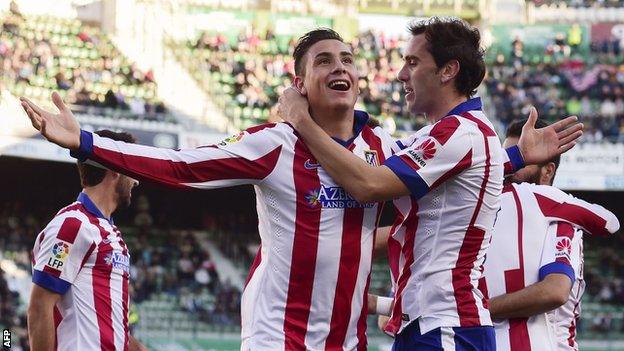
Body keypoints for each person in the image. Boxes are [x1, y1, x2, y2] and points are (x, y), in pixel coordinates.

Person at [22, 27, 581, 350]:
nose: (341, 68)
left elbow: (448, 183)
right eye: (324, 61)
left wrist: (510, 160)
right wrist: (88, 142)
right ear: (300, 83)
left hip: (346, 341)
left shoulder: (378, 150)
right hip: (276, 337)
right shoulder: (274, 144)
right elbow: (180, 165)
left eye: (348, 60)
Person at [277, 18, 583, 350]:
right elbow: (464, 170)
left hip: (448, 327)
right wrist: (516, 156)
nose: (401, 75)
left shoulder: (460, 132)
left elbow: (367, 183)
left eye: (413, 62)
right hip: (431, 324)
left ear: (447, 70)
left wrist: (301, 120)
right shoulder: (445, 134)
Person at [484, 119, 620, 350]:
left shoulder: (560, 222)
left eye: (522, 159)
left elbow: (554, 291)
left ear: (547, 171)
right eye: (509, 157)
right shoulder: (492, 214)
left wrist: (475, 311)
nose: (510, 167)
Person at [27, 130, 146, 351]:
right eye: (131, 169)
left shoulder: (109, 231)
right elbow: (39, 307)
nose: (136, 181)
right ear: (115, 170)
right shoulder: (73, 225)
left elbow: (111, 327)